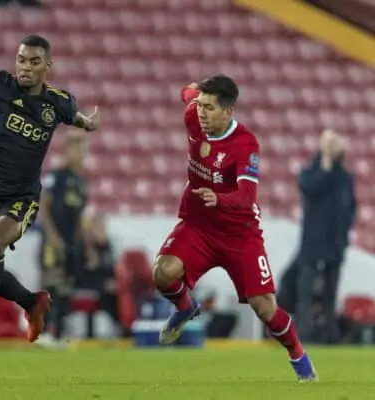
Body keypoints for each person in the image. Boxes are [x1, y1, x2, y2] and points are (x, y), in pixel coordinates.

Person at [0, 21, 100, 365]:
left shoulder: (58, 103)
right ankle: (31, 302)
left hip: (22, 198)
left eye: (33, 61)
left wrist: (88, 122)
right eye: (21, 60)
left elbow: (76, 117)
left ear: (47, 66)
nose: (25, 67)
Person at [151, 75, 317, 381]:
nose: (201, 113)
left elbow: (246, 197)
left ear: (228, 111)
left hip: (239, 234)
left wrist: (219, 198)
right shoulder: (192, 116)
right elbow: (185, 92)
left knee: (265, 308)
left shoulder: (245, 144)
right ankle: (185, 307)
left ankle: (298, 355)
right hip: (199, 226)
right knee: (162, 272)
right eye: (200, 106)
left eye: (210, 108)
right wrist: (195, 90)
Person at [295, 130, 356, 343]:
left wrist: (345, 231)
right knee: (306, 291)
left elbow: (350, 206)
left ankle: (331, 334)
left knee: (331, 292)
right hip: (312, 242)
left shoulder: (345, 177)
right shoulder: (310, 172)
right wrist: (325, 166)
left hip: (335, 242)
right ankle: (303, 332)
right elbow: (309, 189)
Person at [38, 130, 92, 343]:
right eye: (74, 147)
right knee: (53, 280)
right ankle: (43, 330)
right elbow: (44, 207)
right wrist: (52, 236)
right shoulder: (56, 176)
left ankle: (59, 333)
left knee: (67, 285)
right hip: (55, 239)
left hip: (71, 241)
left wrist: (85, 245)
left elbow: (80, 217)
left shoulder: (80, 182)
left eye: (82, 148)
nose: (78, 152)